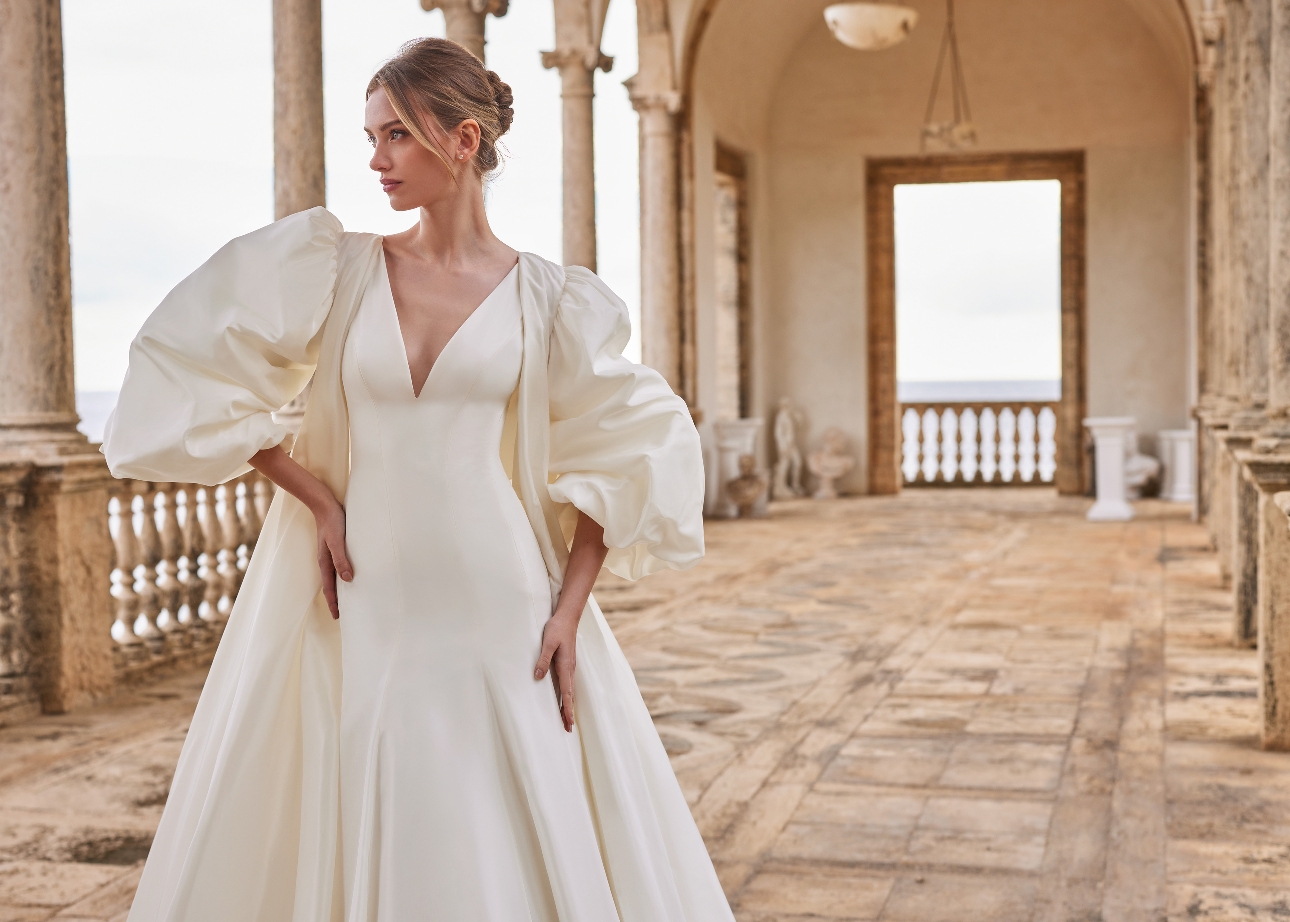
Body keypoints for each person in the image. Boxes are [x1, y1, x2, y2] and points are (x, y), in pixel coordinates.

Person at [103, 37, 733, 922]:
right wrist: (316, 495)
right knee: (375, 774)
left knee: (497, 805)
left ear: (463, 140)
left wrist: (567, 611)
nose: (377, 159)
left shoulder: (548, 298)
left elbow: (631, 447)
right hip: (367, 586)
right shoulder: (336, 270)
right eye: (372, 136)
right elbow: (192, 368)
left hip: (499, 591)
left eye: (396, 134)